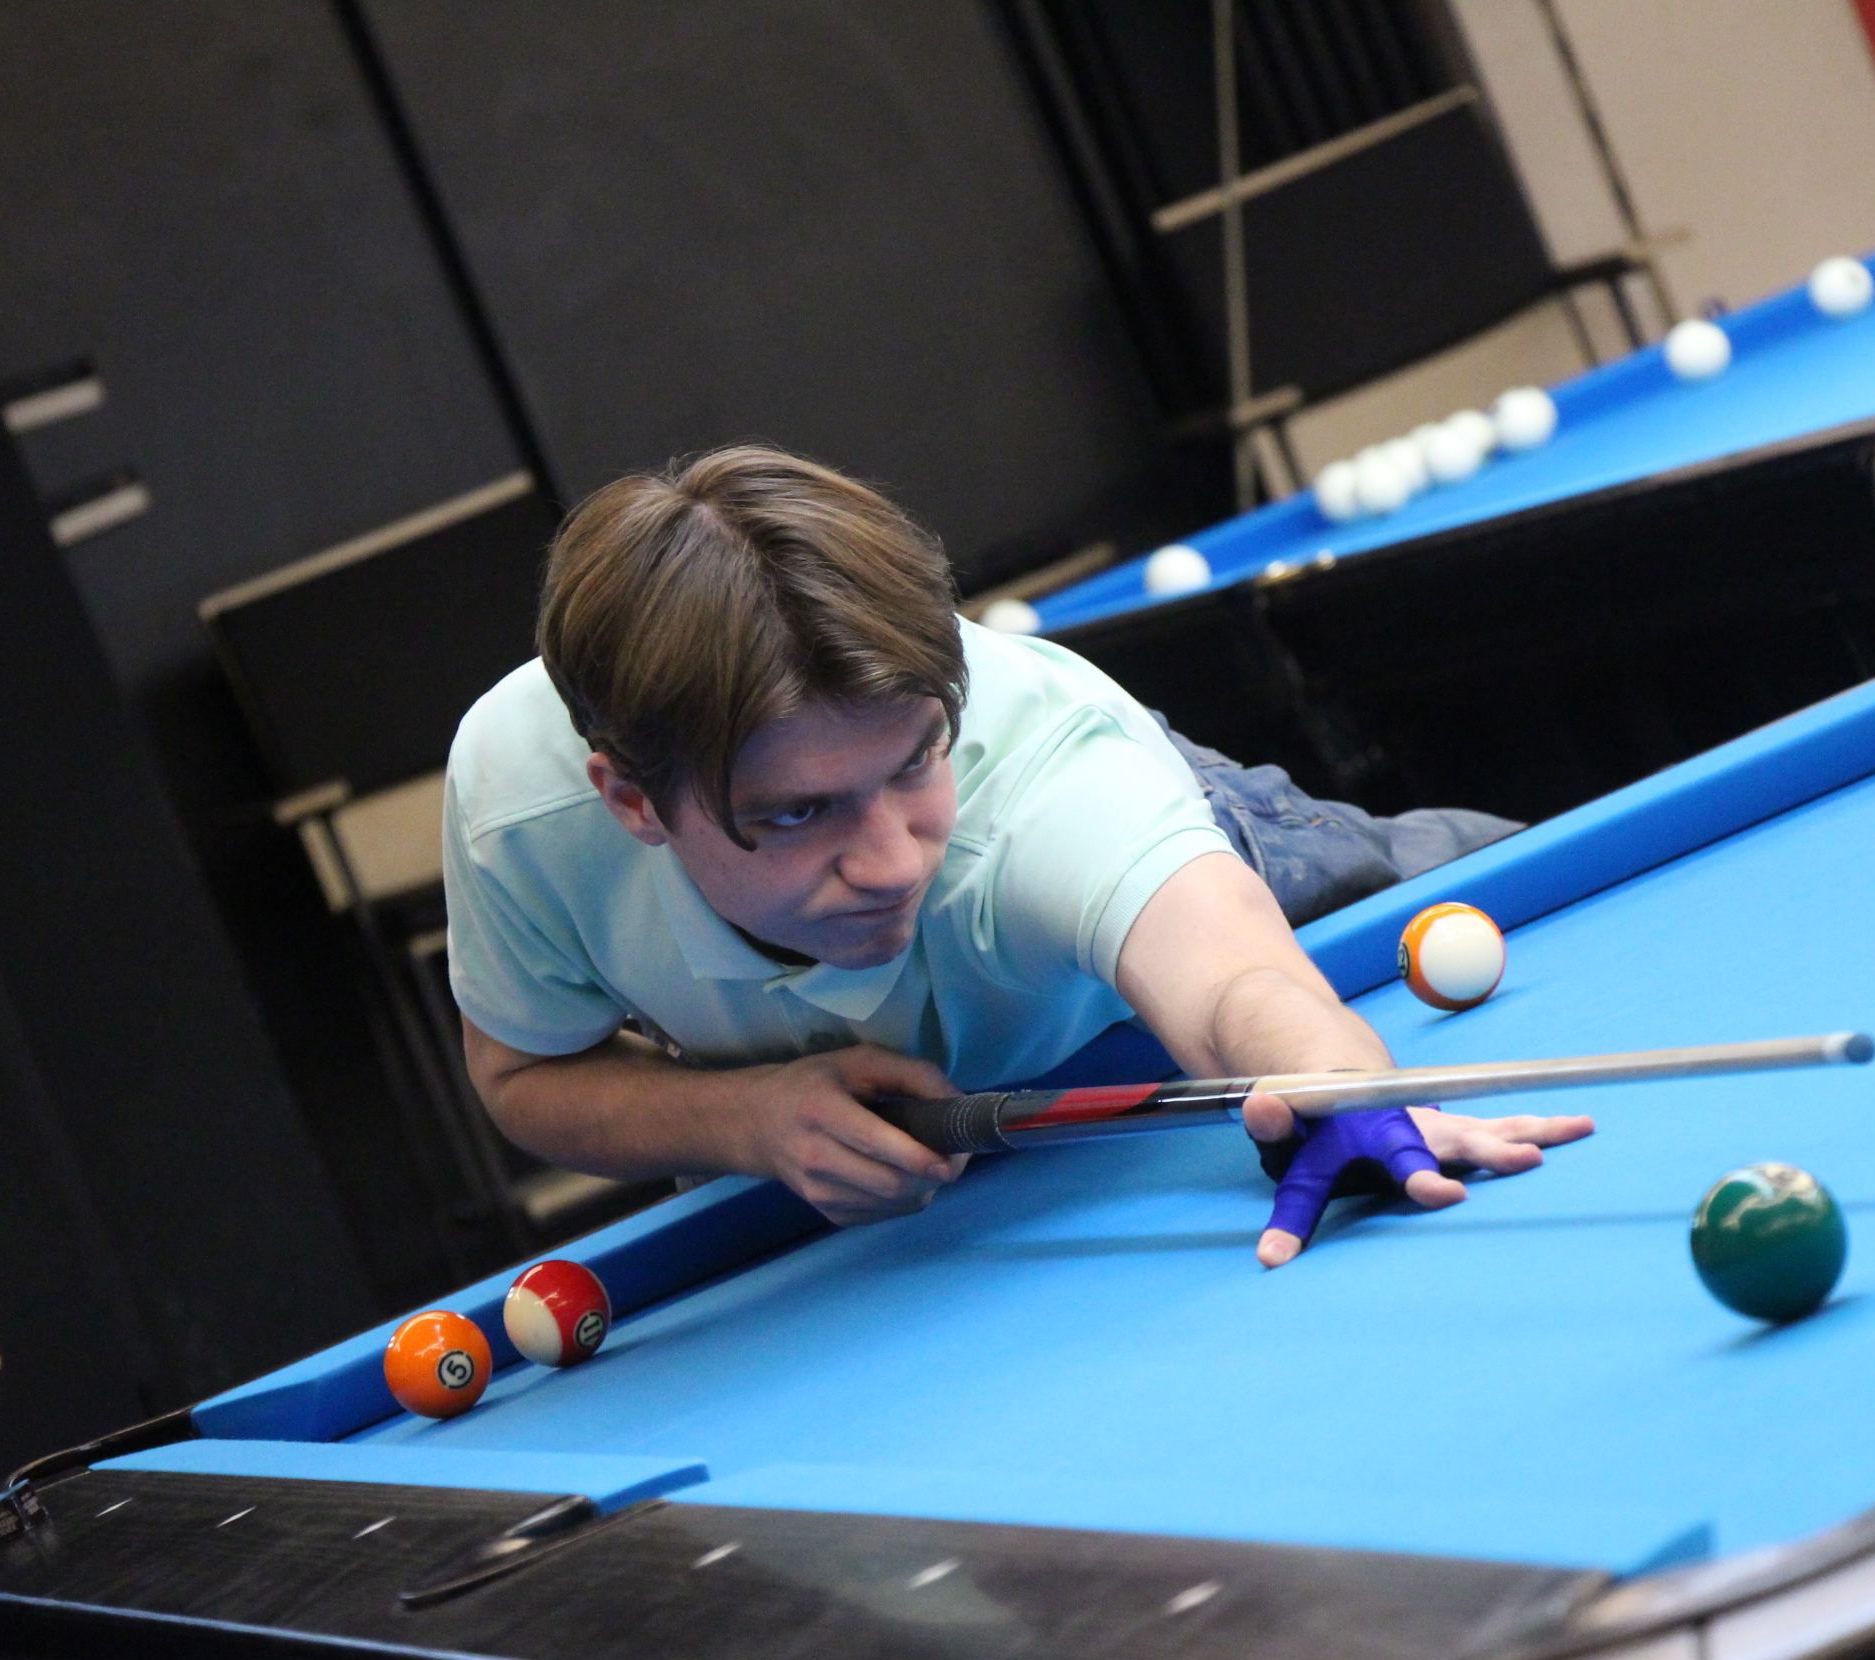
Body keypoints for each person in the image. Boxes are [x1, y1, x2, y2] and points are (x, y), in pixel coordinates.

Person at [444, 447, 1592, 1267]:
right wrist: (740, 1118)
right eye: (799, 815)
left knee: (1448, 874)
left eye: (914, 762)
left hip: (1206, 861)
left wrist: (1337, 1083)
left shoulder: (1047, 780)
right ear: (632, 801)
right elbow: (523, 1075)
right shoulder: (518, 814)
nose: (889, 862)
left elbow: (1232, 979)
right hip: (848, 1059)